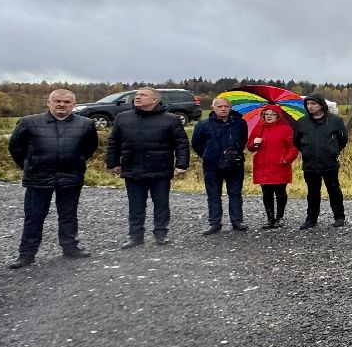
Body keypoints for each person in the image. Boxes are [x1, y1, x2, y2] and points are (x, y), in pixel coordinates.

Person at [7, 88, 99, 268]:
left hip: (71, 177)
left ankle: (70, 248)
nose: (62, 105)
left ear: (74, 104)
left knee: (68, 215)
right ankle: (26, 254)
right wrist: (29, 165)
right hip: (38, 178)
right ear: (49, 103)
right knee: (34, 217)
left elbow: (89, 148)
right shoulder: (28, 122)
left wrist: (74, 161)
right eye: (57, 101)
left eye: (67, 102)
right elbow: (15, 147)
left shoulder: (86, 124)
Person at [106, 86, 190, 248]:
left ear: (154, 100)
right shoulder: (122, 118)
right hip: (132, 168)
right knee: (135, 205)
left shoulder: (171, 119)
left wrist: (181, 164)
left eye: (143, 95)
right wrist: (113, 163)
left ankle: (161, 234)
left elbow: (181, 143)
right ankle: (135, 236)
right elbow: (113, 142)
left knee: (161, 204)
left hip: (160, 169)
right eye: (137, 94)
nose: (137, 97)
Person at [191, 96, 250, 235]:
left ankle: (237, 221)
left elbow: (243, 140)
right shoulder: (203, 125)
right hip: (212, 166)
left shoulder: (240, 123)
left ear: (230, 108)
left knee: (235, 193)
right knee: (213, 195)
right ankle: (214, 223)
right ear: (213, 108)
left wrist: (233, 154)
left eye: (226, 106)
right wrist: (209, 155)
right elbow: (196, 144)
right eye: (220, 106)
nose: (223, 109)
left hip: (234, 164)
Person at [293, 92, 349, 229]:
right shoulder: (302, 122)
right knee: (312, 192)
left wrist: (333, 150)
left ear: (321, 105)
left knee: (334, 190)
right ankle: (311, 219)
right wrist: (306, 151)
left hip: (329, 162)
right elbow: (297, 141)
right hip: (310, 163)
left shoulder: (335, 120)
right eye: (307, 104)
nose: (310, 106)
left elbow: (343, 139)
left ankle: (339, 217)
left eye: (313, 103)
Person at [248, 105, 297, 228]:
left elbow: (293, 147)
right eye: (267, 114)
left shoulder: (286, 129)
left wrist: (286, 159)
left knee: (280, 192)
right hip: (263, 166)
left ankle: (280, 218)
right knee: (266, 193)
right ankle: (270, 218)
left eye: (272, 114)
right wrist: (254, 144)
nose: (269, 116)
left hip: (280, 166)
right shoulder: (259, 128)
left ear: (278, 116)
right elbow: (250, 147)